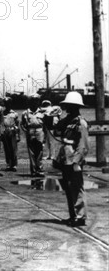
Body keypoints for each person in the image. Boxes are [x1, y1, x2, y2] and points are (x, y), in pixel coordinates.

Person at [51, 92, 89, 227]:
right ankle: (73, 215)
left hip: (73, 159)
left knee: (77, 188)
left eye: (70, 105)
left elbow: (83, 146)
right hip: (65, 158)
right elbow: (56, 130)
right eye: (67, 105)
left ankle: (80, 216)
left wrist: (77, 162)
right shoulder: (67, 121)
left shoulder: (81, 123)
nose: (67, 108)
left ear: (76, 107)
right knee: (68, 188)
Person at [21, 97, 45, 177]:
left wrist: (44, 134)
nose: (34, 103)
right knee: (31, 152)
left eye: (36, 101)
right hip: (30, 131)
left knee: (40, 151)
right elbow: (22, 124)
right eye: (33, 101)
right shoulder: (26, 113)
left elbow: (45, 124)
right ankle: (34, 170)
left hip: (39, 131)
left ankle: (40, 169)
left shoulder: (42, 112)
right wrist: (26, 131)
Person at [0, 98, 20, 172]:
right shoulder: (2, 113)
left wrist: (18, 135)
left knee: (13, 149)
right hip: (5, 131)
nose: (7, 105)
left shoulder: (14, 113)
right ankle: (8, 164)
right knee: (7, 149)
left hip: (12, 131)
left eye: (8, 103)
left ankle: (14, 165)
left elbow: (18, 124)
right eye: (5, 103)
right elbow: (1, 123)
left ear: (10, 104)